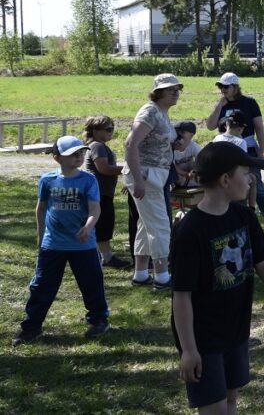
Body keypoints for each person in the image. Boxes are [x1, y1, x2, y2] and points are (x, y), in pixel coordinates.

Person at [171, 142, 264, 413]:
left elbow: (263, 262)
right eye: (246, 172)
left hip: (235, 329)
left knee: (230, 399)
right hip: (202, 337)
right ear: (225, 180)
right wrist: (188, 350)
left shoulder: (243, 216)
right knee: (214, 407)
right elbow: (181, 295)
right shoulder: (190, 231)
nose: (251, 178)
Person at [14, 136, 110, 344]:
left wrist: (87, 227)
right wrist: (41, 237)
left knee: (91, 282)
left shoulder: (88, 179)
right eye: (73, 154)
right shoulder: (48, 180)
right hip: (53, 244)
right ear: (57, 158)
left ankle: (99, 319)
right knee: (42, 285)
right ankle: (32, 326)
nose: (79, 157)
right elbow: (40, 209)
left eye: (81, 153)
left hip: (83, 244)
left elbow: (95, 209)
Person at [124, 73, 181, 291]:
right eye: (170, 89)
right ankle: (162, 277)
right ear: (158, 92)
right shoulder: (149, 111)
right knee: (160, 225)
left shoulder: (162, 112)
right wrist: (138, 180)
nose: (175, 92)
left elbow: (154, 142)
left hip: (155, 174)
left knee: (145, 224)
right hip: (147, 175)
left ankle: (140, 274)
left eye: (177, 89)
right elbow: (131, 145)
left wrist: (173, 146)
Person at [206, 73, 264, 227]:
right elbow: (210, 126)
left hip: (248, 149)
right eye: (220, 86)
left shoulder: (249, 103)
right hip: (226, 150)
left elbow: (259, 128)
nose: (222, 89)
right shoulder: (221, 105)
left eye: (226, 86)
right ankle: (236, 218)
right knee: (230, 185)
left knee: (256, 184)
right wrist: (218, 106)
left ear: (235, 87)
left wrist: (261, 150)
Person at [83, 115, 130, 269]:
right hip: (99, 193)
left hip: (102, 192)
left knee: (104, 224)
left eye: (112, 128)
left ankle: (102, 255)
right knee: (103, 225)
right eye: (107, 129)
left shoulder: (99, 145)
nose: (111, 132)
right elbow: (104, 169)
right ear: (95, 131)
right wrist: (129, 170)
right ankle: (107, 258)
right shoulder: (97, 146)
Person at [172, 121, 201, 189]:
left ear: (191, 135)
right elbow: (172, 166)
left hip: (191, 175)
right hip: (178, 176)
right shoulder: (172, 148)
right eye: (177, 132)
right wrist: (185, 174)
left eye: (182, 132)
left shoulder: (193, 146)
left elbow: (202, 159)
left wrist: (194, 171)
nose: (179, 135)